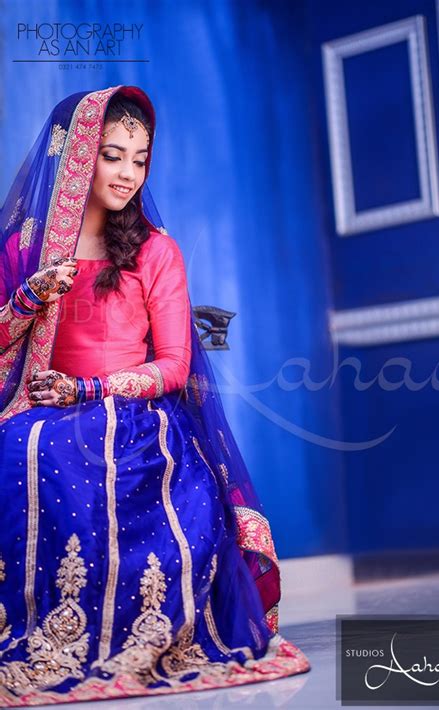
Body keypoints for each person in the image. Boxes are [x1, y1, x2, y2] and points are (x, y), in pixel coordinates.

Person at [0, 86, 309, 705]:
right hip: (40, 409)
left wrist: (88, 389)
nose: (127, 174)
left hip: (136, 412)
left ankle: (131, 633)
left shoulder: (155, 251)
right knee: (19, 450)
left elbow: (173, 365)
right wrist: (30, 297)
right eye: (111, 155)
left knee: (96, 452)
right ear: (75, 156)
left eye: (139, 160)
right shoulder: (23, 251)